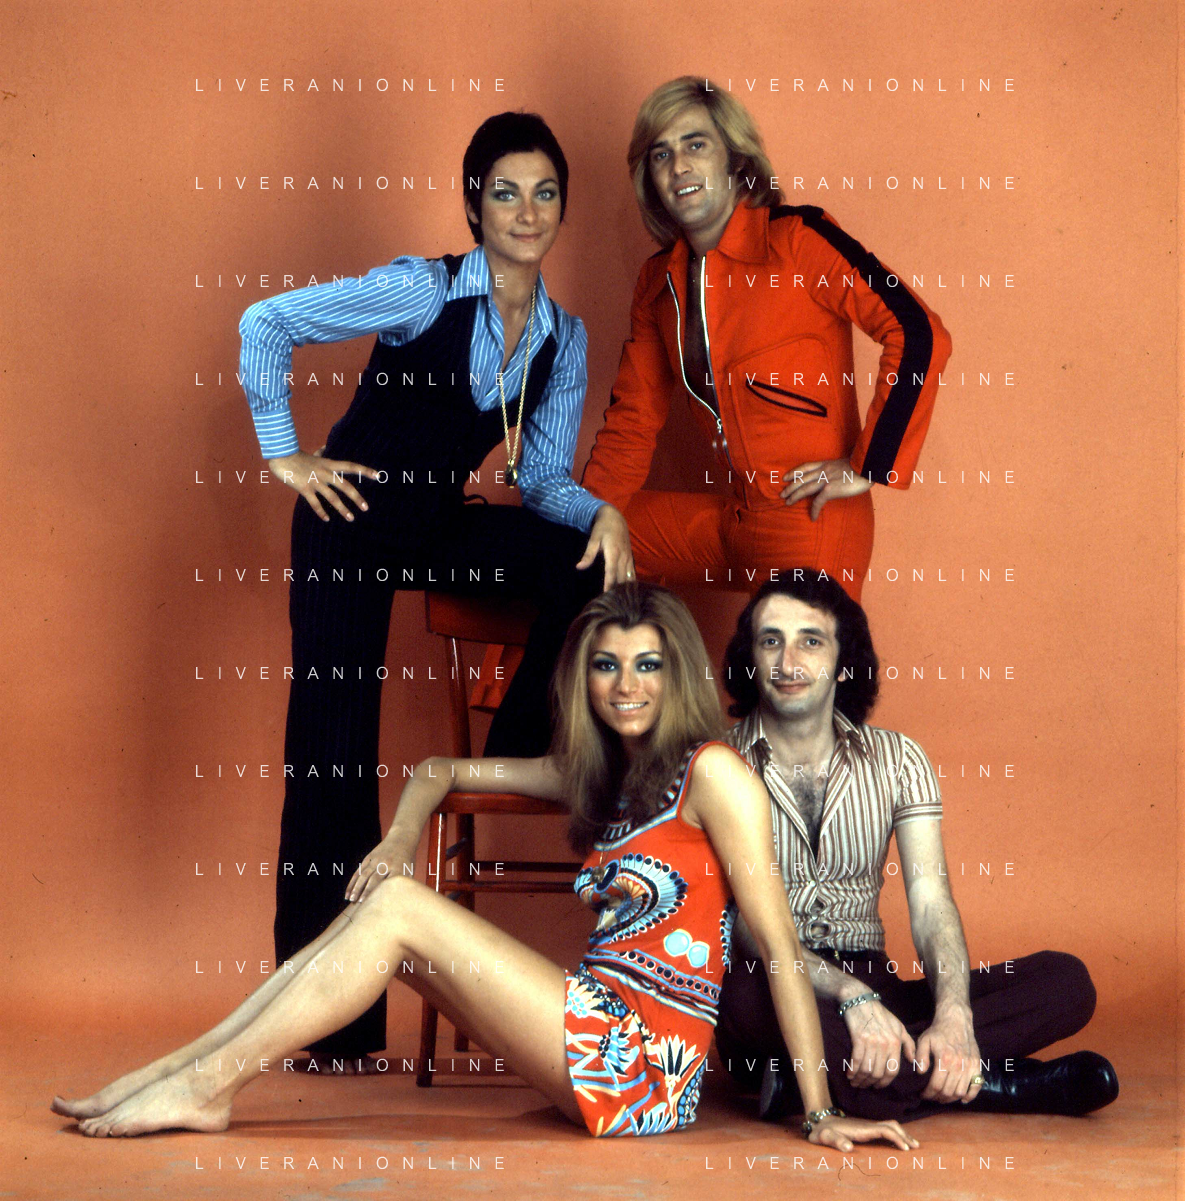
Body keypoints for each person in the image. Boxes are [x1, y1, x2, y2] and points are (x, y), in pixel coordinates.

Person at [54, 583, 913, 1149]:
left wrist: (820, 1110)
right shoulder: (599, 773)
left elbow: (776, 944)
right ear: (582, 677)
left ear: (677, 673)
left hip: (643, 1065)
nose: (626, 685)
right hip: (589, 1025)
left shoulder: (714, 772)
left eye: (647, 665)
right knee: (376, 910)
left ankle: (206, 1085)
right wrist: (398, 839)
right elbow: (440, 770)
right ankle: (180, 1071)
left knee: (396, 909)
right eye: (606, 665)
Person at [236, 112, 634, 1067]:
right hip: (348, 522)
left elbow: (541, 479)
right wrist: (287, 455)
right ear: (473, 204)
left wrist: (602, 514)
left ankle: (510, 753)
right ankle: (331, 1027)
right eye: (506, 193)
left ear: (562, 206)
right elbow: (264, 324)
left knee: (579, 563)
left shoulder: (562, 338)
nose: (526, 212)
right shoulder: (420, 289)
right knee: (334, 751)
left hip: (434, 521)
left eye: (544, 193)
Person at [714, 572, 1119, 1122]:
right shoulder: (714, 764)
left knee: (1066, 983)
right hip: (775, 981)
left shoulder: (898, 759)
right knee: (736, 990)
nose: (789, 661)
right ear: (750, 657)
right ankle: (1004, 1085)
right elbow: (740, 924)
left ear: (843, 661)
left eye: (811, 640)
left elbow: (930, 902)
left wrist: (954, 1016)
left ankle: (814, 1079)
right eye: (771, 640)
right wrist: (847, 993)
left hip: (877, 985)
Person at [582, 78, 952, 602]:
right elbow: (632, 421)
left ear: (735, 160)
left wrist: (867, 466)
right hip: (732, 518)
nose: (679, 166)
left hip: (810, 517)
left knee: (784, 654)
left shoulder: (798, 240)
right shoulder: (659, 282)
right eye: (661, 154)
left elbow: (918, 332)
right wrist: (591, 514)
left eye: (695, 144)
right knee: (575, 542)